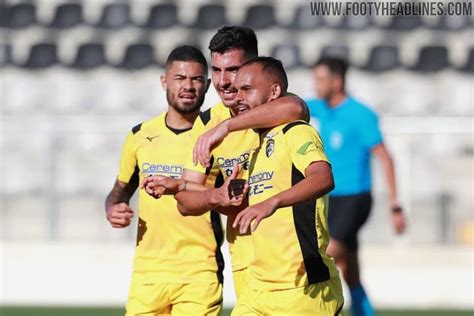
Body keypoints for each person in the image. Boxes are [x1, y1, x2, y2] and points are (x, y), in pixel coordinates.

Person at [143, 25, 310, 299]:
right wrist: (216, 196)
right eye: (216, 70)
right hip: (248, 265)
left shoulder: (277, 105)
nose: (222, 81)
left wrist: (228, 126)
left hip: (296, 265)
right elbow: (185, 200)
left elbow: (296, 109)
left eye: (232, 70)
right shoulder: (207, 122)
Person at [105, 46, 226, 315]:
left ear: (207, 85)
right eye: (180, 78)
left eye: (196, 79)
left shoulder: (219, 138)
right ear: (164, 81)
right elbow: (119, 191)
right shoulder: (139, 135)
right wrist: (113, 209)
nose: (188, 86)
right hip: (148, 273)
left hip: (199, 271)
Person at [228, 56, 344, 315]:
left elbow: (323, 178)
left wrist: (273, 202)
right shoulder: (255, 144)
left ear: (274, 91)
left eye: (247, 89)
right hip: (258, 289)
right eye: (235, 91)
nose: (238, 97)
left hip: (303, 289)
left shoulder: (297, 132)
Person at [307, 57, 407, 316]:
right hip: (329, 200)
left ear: (337, 81)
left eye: (320, 79)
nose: (315, 85)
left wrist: (395, 206)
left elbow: (385, 157)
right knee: (351, 272)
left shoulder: (361, 115)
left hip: (355, 200)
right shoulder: (320, 108)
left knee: (321, 259)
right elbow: (291, 106)